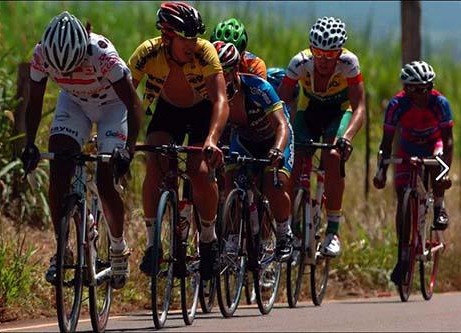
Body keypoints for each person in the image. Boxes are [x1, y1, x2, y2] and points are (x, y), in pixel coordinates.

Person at [21, 11, 143, 289]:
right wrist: (29, 143)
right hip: (74, 104)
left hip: (112, 106)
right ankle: (63, 247)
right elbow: (34, 102)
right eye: (60, 70)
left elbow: (134, 105)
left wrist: (130, 148)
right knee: (59, 172)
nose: (67, 73)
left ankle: (117, 246)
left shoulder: (102, 54)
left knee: (104, 177)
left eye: (73, 66)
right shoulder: (40, 55)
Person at [127, 2, 229, 281]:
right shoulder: (147, 52)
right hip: (167, 111)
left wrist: (212, 139)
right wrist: (120, 136)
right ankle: (152, 245)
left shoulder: (205, 52)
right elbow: (124, 98)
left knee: (200, 172)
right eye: (186, 38)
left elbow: (221, 100)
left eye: (195, 37)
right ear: (167, 36)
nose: (191, 44)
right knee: (155, 166)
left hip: (201, 111)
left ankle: (208, 238)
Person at [278, 17, 366, 257]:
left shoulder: (349, 63)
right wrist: (284, 134)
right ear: (311, 48)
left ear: (340, 52)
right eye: (319, 52)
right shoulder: (300, 62)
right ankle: (291, 230)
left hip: (338, 114)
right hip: (310, 112)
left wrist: (347, 137)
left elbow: (359, 108)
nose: (325, 59)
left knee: (333, 156)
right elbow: (282, 102)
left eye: (331, 54)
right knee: (293, 160)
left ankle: (333, 232)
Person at [373, 60, 453, 285]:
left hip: (433, 144)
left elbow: (448, 142)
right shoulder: (397, 105)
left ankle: (439, 207)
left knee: (437, 165)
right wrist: (381, 170)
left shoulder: (440, 103)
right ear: (406, 89)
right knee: (402, 198)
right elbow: (386, 142)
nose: (423, 94)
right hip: (408, 147)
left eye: (428, 88)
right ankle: (404, 252)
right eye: (418, 90)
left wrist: (444, 171)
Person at [213, 41, 295, 261]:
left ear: (237, 67)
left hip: (274, 139)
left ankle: (283, 231)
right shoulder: (210, 92)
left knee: (272, 184)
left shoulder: (259, 87)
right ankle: (231, 240)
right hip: (244, 139)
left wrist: (278, 151)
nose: (224, 77)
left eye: (228, 70)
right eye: (217, 72)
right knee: (231, 183)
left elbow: (281, 126)